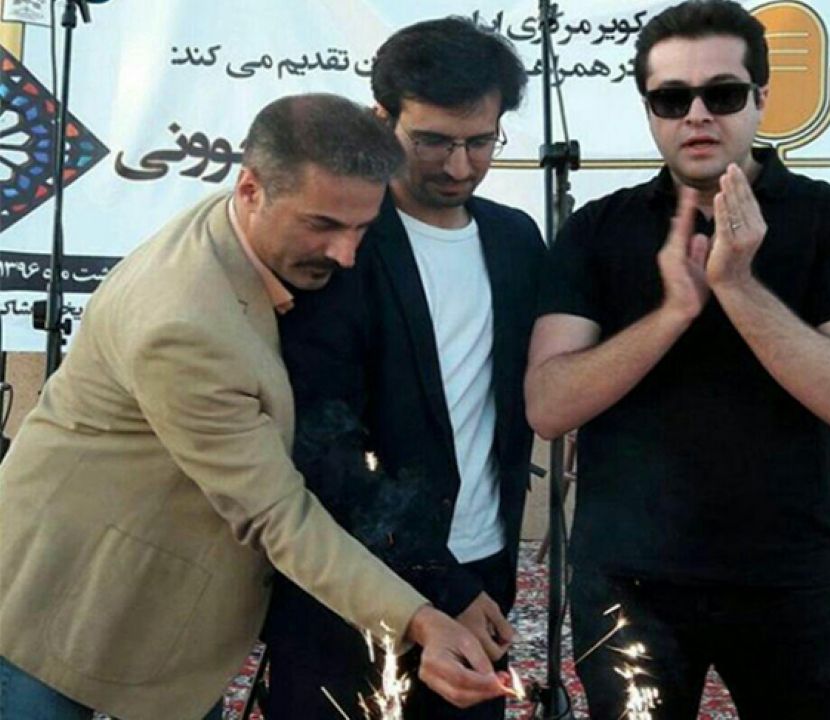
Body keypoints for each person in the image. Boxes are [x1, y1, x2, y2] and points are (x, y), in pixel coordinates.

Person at [0, 94, 506, 720]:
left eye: (361, 228)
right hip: (57, 598)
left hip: (165, 604)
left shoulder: (240, 229)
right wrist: (421, 620)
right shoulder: (184, 325)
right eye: (323, 225)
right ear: (249, 189)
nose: (346, 254)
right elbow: (277, 514)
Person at [525, 2, 830, 718]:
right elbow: (547, 406)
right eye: (672, 99)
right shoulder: (597, 228)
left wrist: (735, 284)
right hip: (628, 582)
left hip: (787, 574)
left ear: (761, 97)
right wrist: (672, 312)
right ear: (649, 110)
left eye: (721, 94)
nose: (696, 115)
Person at [263, 18, 545, 720]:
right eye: (433, 141)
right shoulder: (340, 244)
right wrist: (439, 583)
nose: (459, 166)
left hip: (481, 567)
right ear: (381, 119)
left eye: (480, 142)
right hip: (349, 581)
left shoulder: (516, 240)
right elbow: (323, 445)